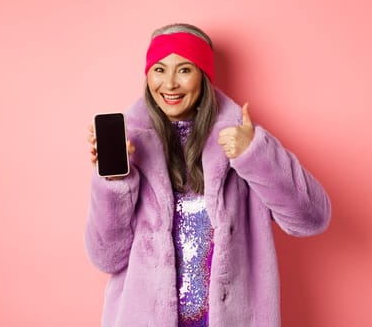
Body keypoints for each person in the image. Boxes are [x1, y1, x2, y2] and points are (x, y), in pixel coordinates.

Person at [84, 23, 331, 327]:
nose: (170, 84)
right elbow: (106, 257)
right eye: (159, 70)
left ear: (203, 75)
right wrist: (114, 183)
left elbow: (312, 219)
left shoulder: (240, 140)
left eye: (184, 70)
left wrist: (255, 153)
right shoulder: (131, 148)